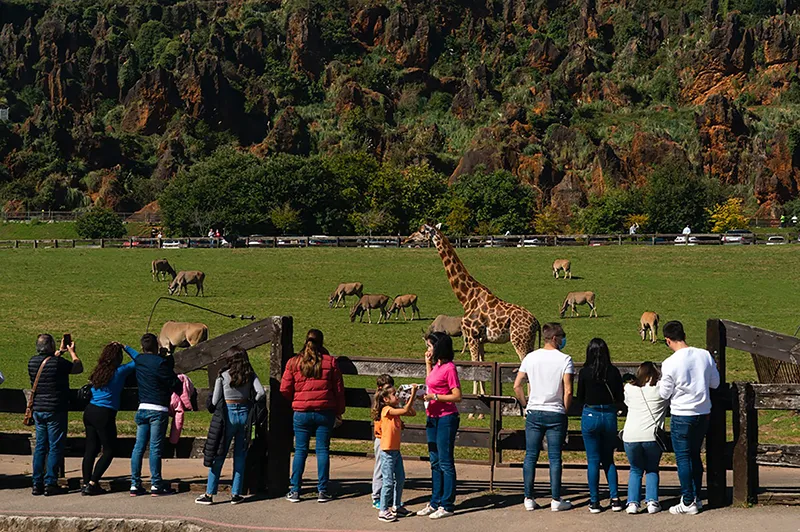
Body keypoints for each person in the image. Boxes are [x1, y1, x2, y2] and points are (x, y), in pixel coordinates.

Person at [658, 321, 720, 515]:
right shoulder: (704, 355)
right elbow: (715, 383)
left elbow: (664, 393)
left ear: (668, 340)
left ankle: (687, 500)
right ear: (684, 335)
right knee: (695, 455)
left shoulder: (670, 363)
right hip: (702, 413)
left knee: (683, 458)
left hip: (682, 413)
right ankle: (697, 497)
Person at [513, 322, 574, 512]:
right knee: (555, 458)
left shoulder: (531, 357)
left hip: (534, 410)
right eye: (562, 337)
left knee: (531, 455)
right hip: (555, 411)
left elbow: (517, 385)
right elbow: (569, 390)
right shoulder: (565, 359)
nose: (563, 340)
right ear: (555, 338)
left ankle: (528, 497)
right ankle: (556, 499)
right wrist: (565, 409)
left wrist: (525, 404)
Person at [280, 329, 345, 503]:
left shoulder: (294, 363)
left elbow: (284, 388)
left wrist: (296, 399)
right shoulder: (330, 362)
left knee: (300, 450)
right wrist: (339, 411)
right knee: (322, 450)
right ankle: (322, 490)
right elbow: (338, 390)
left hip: (301, 412)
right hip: (324, 412)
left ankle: (295, 490)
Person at [196, 346, 265, 505]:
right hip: (245, 415)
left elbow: (214, 401)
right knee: (240, 456)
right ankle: (236, 493)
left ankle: (209, 493)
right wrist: (251, 401)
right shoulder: (250, 375)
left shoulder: (223, 377)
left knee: (219, 454)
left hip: (228, 415)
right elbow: (261, 392)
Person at [28, 334, 83, 496]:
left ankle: (37, 482)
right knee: (54, 446)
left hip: (38, 409)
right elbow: (78, 368)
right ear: (50, 347)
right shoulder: (58, 363)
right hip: (55, 409)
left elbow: (49, 363)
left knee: (40, 447)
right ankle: (50, 482)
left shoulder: (32, 362)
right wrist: (72, 353)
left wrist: (59, 351)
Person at [128, 334, 182, 497]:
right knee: (155, 448)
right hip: (158, 409)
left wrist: (125, 346)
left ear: (143, 347)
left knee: (138, 447)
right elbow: (175, 384)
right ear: (157, 346)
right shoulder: (160, 363)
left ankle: (135, 484)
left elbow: (134, 354)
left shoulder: (139, 360)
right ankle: (156, 484)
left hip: (142, 408)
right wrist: (168, 359)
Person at [82, 342, 137, 495]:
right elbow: (139, 360)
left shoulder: (98, 371)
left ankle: (86, 482)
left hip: (90, 411)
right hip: (104, 413)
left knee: (91, 449)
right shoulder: (119, 371)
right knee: (109, 450)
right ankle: (93, 482)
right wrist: (126, 347)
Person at [417, 332, 462, 519]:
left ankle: (447, 503)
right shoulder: (437, 365)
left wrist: (435, 397)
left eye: (430, 346)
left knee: (445, 461)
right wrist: (427, 364)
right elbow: (431, 383)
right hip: (432, 416)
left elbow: (457, 396)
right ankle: (435, 501)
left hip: (446, 417)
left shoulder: (450, 368)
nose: (428, 349)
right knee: (434, 461)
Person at [578, 338, 624, 513]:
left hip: (591, 414)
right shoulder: (613, 371)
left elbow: (580, 397)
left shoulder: (584, 372)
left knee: (593, 461)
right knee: (608, 460)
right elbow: (619, 396)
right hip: (609, 415)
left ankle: (595, 501)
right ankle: (615, 498)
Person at [622, 362, 668, 515]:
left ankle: (632, 503)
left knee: (635, 469)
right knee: (652, 469)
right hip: (652, 436)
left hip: (630, 435)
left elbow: (627, 402)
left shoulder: (629, 389)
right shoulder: (660, 390)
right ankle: (652, 501)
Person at [372, 383, 418, 522]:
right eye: (393, 394)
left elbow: (411, 412)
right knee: (388, 481)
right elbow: (404, 411)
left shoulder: (395, 409)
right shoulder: (386, 410)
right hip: (387, 450)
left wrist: (408, 399)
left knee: (400, 478)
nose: (396, 396)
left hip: (395, 450)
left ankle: (396, 505)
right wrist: (414, 393)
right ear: (385, 399)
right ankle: (383, 510)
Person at [371, 374, 396, 510]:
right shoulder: (381, 406)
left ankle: (387, 496)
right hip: (382, 440)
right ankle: (376, 496)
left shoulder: (386, 404)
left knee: (388, 469)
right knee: (380, 468)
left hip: (388, 440)